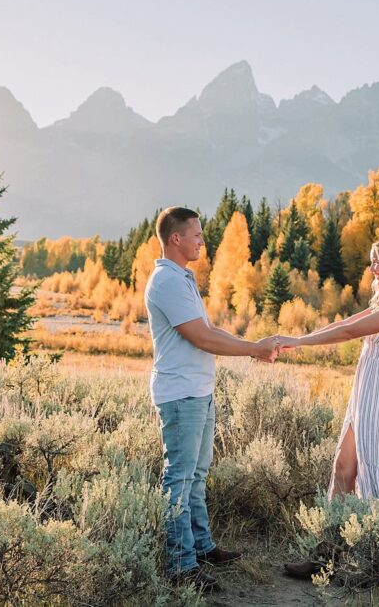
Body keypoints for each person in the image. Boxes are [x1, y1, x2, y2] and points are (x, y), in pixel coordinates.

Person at [277, 236, 379, 579]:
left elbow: (348, 333)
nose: (371, 268)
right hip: (366, 391)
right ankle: (324, 558)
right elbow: (340, 325)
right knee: (342, 468)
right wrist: (297, 341)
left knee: (377, 469)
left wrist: (299, 342)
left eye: (377, 261)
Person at [145, 206, 280, 591]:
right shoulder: (167, 282)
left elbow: (207, 328)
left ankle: (202, 547)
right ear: (176, 238)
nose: (203, 241)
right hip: (181, 394)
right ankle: (181, 566)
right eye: (197, 235)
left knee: (197, 476)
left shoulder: (182, 278)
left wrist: (252, 345)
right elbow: (201, 338)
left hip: (199, 391)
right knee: (179, 478)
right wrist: (253, 350)